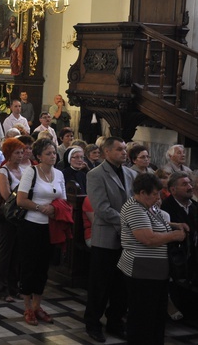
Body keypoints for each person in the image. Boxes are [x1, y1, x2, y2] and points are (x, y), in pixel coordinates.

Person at [118, 173, 187, 345]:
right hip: (142, 271)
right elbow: (148, 238)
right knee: (142, 318)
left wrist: (175, 225)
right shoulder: (134, 208)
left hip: (155, 273)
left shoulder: (148, 206)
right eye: (155, 194)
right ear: (142, 192)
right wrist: (173, 236)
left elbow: (157, 223)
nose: (158, 198)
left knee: (155, 317)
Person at [84, 137, 136, 343]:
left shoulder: (131, 173)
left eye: (125, 149)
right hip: (106, 236)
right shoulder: (95, 174)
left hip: (128, 239)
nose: (124, 152)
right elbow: (102, 207)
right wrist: (128, 222)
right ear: (106, 152)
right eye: (119, 149)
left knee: (121, 285)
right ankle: (93, 323)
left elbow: (135, 202)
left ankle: (115, 321)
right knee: (100, 284)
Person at [15, 138, 67, 326]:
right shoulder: (31, 172)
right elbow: (20, 200)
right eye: (48, 153)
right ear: (38, 156)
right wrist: (39, 207)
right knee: (29, 266)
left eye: (54, 153)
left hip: (50, 227)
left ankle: (38, 305)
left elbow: (63, 200)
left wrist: (54, 209)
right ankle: (27, 307)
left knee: (43, 268)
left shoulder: (59, 174)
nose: (53, 156)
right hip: (31, 226)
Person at [0, 138, 24, 302]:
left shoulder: (25, 169)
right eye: (17, 153)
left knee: (17, 254)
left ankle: (14, 287)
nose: (20, 156)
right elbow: (5, 195)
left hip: (21, 216)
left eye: (21, 152)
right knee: (5, 253)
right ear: (8, 154)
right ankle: (2, 289)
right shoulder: (3, 171)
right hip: (8, 216)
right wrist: (22, 198)